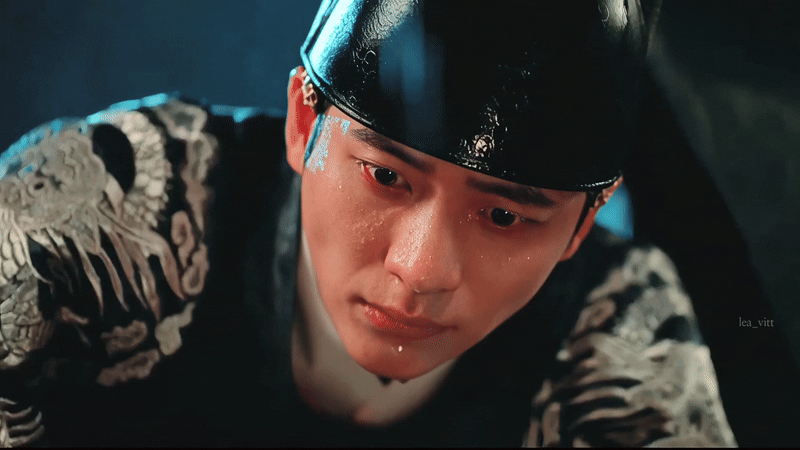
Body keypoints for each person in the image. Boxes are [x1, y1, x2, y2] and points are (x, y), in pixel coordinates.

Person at [0, 0, 738, 446]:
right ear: (303, 122)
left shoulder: (619, 326)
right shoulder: (96, 213)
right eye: (386, 176)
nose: (419, 270)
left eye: (503, 215)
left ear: (581, 226)